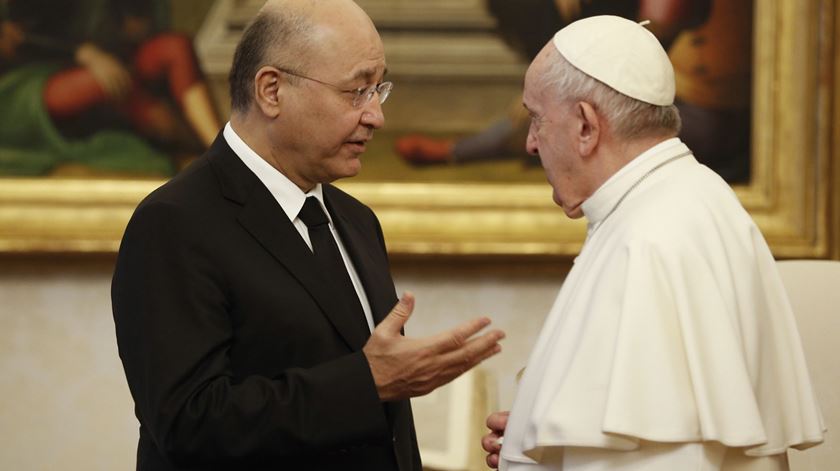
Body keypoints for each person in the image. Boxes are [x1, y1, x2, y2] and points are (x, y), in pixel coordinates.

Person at [111, 0, 505, 469]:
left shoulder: (356, 220)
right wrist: (367, 381)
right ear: (272, 90)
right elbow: (188, 423)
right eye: (357, 91)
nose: (376, 116)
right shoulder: (174, 223)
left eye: (380, 90)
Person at [480, 15, 824, 470]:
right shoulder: (692, 195)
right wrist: (538, 434)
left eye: (537, 120)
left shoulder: (648, 241)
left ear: (585, 126)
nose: (530, 143)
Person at [396, 0, 752, 183]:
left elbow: (648, 33)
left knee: (561, 118)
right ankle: (457, 150)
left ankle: (454, 151)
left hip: (701, 120)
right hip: (692, 108)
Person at [0, 0, 221, 176]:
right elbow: (16, 40)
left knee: (174, 46)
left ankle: (220, 148)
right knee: (111, 83)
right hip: (30, 81)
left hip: (113, 61)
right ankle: (193, 144)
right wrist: (83, 53)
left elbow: (136, 29)